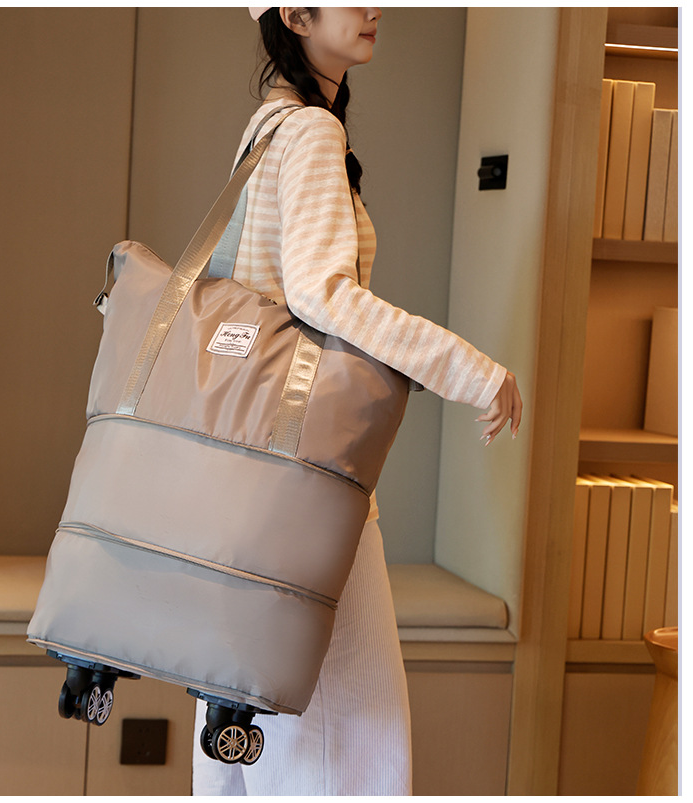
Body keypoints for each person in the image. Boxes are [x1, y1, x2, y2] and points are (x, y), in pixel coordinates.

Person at [192, 7, 522, 796]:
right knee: (350, 746)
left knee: (252, 740)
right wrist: (472, 370)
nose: (375, 7)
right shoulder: (309, 131)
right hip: (311, 487)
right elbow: (322, 294)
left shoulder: (266, 125)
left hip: (244, 484)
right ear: (296, 15)